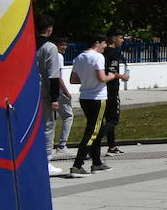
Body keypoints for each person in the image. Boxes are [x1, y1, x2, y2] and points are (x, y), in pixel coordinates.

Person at [69, 34, 118, 177]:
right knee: (92, 132)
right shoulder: (97, 57)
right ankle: (77, 165)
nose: (105, 46)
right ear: (97, 43)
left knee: (95, 128)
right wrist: (112, 76)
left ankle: (96, 163)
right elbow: (102, 78)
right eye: (104, 43)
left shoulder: (79, 57)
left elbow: (73, 79)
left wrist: (87, 79)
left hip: (85, 97)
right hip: (97, 98)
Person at [35, 17, 65, 175]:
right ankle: (45, 161)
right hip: (45, 93)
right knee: (48, 127)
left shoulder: (28, 45)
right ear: (49, 29)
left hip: (28, 92)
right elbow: (53, 75)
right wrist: (55, 98)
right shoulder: (50, 47)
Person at [102, 29, 130, 155]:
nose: (122, 40)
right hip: (111, 90)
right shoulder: (113, 53)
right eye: (121, 37)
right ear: (113, 38)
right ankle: (93, 142)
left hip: (101, 90)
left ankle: (112, 146)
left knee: (105, 119)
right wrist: (122, 77)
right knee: (113, 119)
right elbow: (111, 72)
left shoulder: (102, 52)